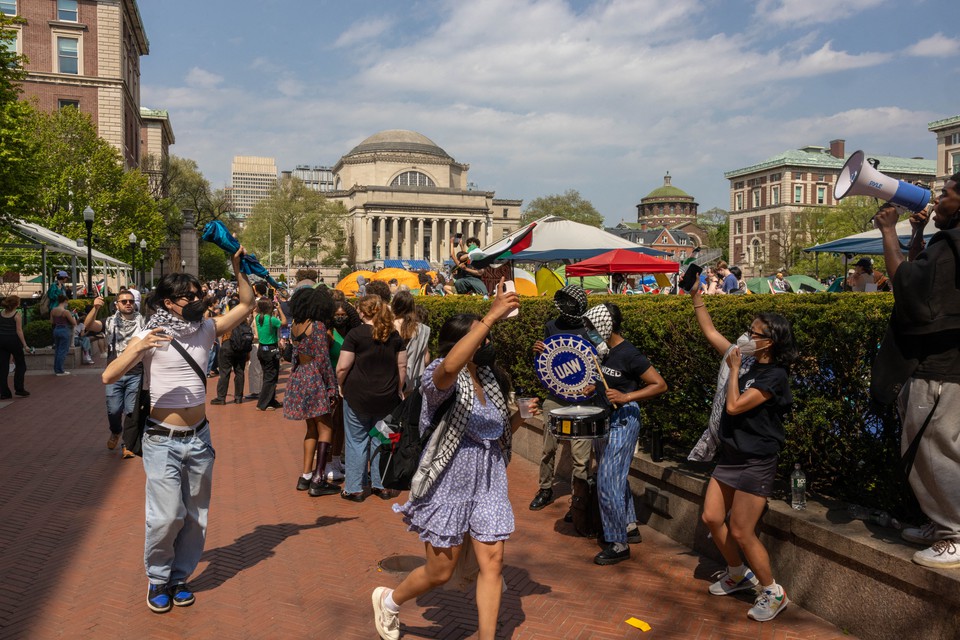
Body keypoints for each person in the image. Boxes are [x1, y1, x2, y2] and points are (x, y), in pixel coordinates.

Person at [372, 280, 536, 640]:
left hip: (489, 481)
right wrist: (491, 316)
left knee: (493, 563)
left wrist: (519, 417)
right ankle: (389, 601)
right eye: (482, 339)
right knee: (440, 570)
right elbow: (449, 367)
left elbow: (494, 432)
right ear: (466, 342)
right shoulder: (438, 377)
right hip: (447, 482)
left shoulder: (491, 380)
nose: (488, 344)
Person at [102, 247, 253, 614]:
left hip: (199, 438)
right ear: (170, 303)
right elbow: (109, 376)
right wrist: (139, 346)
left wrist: (238, 267)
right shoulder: (151, 334)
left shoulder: (206, 329)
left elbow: (247, 303)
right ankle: (157, 577)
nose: (199, 300)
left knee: (196, 514)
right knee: (167, 514)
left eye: (199, 294)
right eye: (190, 296)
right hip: (160, 440)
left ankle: (179, 576)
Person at [689, 285, 797, 622]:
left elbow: (735, 406)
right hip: (731, 456)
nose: (746, 336)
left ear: (770, 342)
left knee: (741, 531)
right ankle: (737, 573)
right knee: (710, 517)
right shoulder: (746, 359)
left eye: (754, 333)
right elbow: (710, 331)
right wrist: (696, 296)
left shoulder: (774, 376)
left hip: (756, 460)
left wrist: (735, 369)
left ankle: (773, 592)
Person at [875, 173, 960, 569]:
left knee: (934, 449)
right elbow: (920, 280)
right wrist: (915, 236)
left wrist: (889, 233)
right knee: (924, 449)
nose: (937, 199)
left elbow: (906, 290)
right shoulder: (948, 246)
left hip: (940, 373)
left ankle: (954, 532)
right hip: (938, 370)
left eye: (946, 194)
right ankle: (938, 520)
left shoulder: (954, 244)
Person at [582, 303, 667, 565]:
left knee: (608, 480)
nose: (589, 332)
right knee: (615, 476)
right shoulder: (602, 352)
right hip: (603, 419)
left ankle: (617, 543)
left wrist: (626, 395)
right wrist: (592, 388)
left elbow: (659, 384)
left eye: (592, 328)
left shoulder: (630, 354)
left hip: (624, 419)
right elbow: (606, 383)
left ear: (605, 327)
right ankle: (629, 526)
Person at [335, 295, 406, 502]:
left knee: (356, 440)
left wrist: (341, 384)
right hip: (387, 398)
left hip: (358, 396)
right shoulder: (394, 336)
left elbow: (342, 366)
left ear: (362, 312)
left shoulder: (355, 335)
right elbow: (402, 366)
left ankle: (355, 488)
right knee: (383, 440)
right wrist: (399, 389)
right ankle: (382, 484)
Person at [529, 285, 594, 512]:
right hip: (556, 396)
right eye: (563, 301)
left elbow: (602, 359)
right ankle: (545, 489)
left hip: (585, 399)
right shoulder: (551, 326)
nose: (565, 306)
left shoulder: (590, 327)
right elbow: (545, 362)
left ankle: (578, 499)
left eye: (570, 301)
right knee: (548, 447)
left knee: (580, 456)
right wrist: (537, 351)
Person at [283, 287, 341, 496]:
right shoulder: (316, 326)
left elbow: (296, 356)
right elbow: (323, 359)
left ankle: (305, 475)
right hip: (315, 376)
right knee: (326, 428)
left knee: (311, 428)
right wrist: (332, 387)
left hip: (300, 376)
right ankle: (319, 477)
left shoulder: (296, 326)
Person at [83, 293, 146, 457]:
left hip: (136, 372)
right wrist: (95, 308)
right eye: (124, 301)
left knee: (131, 411)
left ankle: (128, 444)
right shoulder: (109, 322)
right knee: (114, 410)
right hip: (114, 374)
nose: (128, 304)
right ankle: (116, 431)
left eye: (131, 301)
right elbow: (88, 325)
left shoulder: (143, 322)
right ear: (116, 304)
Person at [210, 305, 251, 405]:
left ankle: (221, 398)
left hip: (227, 347)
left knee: (224, 373)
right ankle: (238, 397)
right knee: (240, 372)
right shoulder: (244, 319)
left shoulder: (226, 317)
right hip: (241, 349)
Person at [391, 291, 431, 395]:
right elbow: (426, 360)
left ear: (394, 305)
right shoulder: (423, 329)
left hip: (392, 380)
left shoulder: (389, 327)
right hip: (414, 382)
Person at [253, 297, 286, 411]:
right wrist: (280, 310)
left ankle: (271, 401)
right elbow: (285, 323)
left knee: (268, 376)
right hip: (271, 349)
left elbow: (255, 312)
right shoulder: (272, 319)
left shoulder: (258, 318)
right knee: (271, 378)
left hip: (262, 349)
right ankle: (262, 403)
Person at [0, 296, 30, 399]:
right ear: (16, 304)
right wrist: (25, 345)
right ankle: (19, 389)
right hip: (13, 341)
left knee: (3, 367)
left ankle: (4, 392)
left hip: (1, 340)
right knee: (21, 365)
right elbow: (19, 331)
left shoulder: (1, 313)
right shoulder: (17, 315)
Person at [50, 295, 76, 376]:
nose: (67, 304)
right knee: (63, 351)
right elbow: (74, 323)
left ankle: (56, 369)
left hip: (56, 330)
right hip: (64, 330)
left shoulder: (53, 310)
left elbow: (51, 322)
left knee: (57, 350)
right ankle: (60, 371)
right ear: (65, 301)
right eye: (67, 302)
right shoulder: (66, 312)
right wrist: (73, 316)